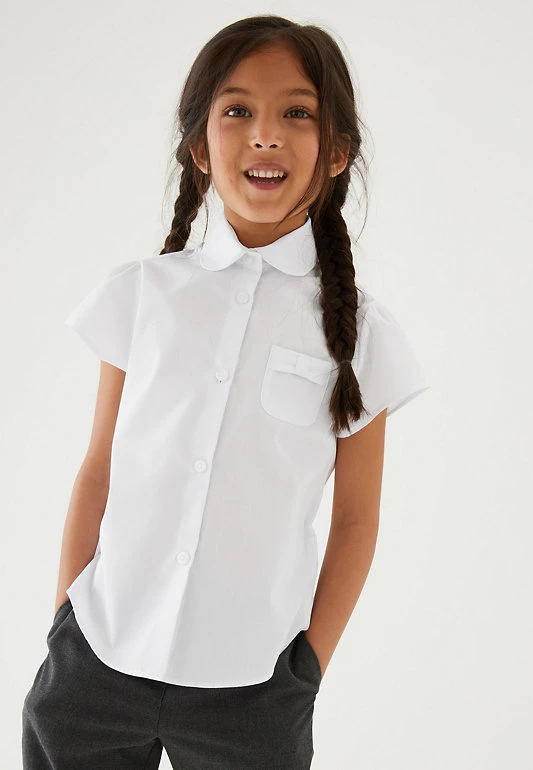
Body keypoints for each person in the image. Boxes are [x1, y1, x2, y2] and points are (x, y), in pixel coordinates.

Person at [21, 14, 430, 770]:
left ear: (337, 150)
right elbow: (99, 468)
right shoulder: (142, 294)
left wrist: (304, 672)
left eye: (297, 113)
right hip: (97, 659)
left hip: (254, 686)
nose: (265, 135)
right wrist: (64, 621)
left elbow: (355, 520)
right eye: (237, 110)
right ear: (199, 148)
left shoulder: (362, 335)